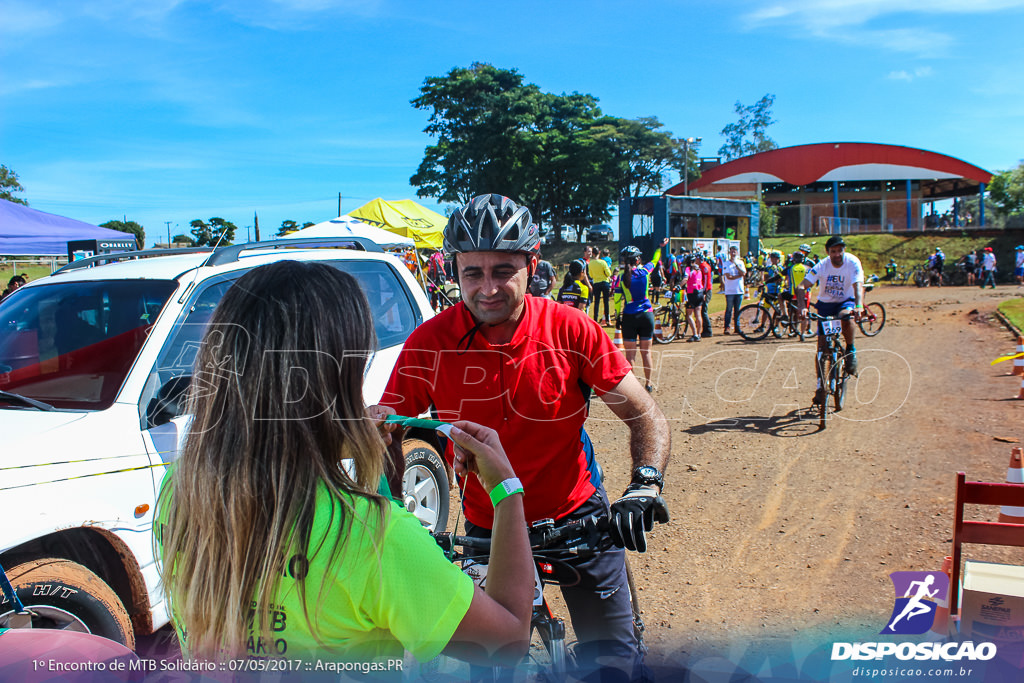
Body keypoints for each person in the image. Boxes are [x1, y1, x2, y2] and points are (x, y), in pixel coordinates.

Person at [156, 261, 534, 667]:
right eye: (355, 370)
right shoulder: (371, 536)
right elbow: (508, 640)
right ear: (329, 386)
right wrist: (506, 490)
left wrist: (378, 469)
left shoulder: (178, 489)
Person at [381, 195, 671, 680]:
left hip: (576, 518)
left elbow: (645, 415)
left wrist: (644, 483)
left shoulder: (571, 328)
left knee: (615, 666)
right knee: (489, 665)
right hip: (487, 525)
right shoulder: (430, 341)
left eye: (503, 270)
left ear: (531, 265)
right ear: (454, 269)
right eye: (472, 272)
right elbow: (389, 430)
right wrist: (385, 476)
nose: (487, 287)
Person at [796, 235, 865, 406]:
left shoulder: (852, 262)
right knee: (821, 348)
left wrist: (858, 305)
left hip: (845, 301)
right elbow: (801, 286)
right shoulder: (822, 265)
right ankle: (820, 387)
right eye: (833, 251)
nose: (837, 254)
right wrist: (801, 306)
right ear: (828, 252)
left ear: (844, 250)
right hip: (826, 305)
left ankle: (850, 350)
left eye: (840, 250)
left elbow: (858, 285)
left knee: (845, 317)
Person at [620, 238, 671, 391]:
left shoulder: (621, 277)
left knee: (630, 356)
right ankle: (648, 383)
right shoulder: (645, 271)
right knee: (646, 352)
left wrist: (616, 316)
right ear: (638, 259)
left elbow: (617, 299)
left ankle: (634, 387)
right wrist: (659, 246)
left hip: (629, 315)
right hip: (646, 315)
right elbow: (655, 260)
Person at [721, 245, 746, 334]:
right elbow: (728, 276)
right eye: (731, 251)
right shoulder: (726, 263)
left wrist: (736, 266)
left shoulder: (740, 263)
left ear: (737, 252)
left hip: (739, 290)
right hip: (730, 290)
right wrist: (739, 275)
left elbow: (743, 273)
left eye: (734, 251)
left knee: (737, 310)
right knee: (729, 309)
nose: (733, 253)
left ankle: (737, 327)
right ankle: (727, 327)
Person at [785, 250, 810, 335]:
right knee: (804, 312)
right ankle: (803, 333)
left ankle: (794, 330)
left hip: (794, 293)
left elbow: (780, 276)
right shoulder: (807, 268)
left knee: (794, 312)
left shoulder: (790, 268)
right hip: (805, 293)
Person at [588, 244, 613, 325]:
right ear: (599, 252)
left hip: (596, 283)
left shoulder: (590, 263)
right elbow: (608, 273)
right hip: (605, 282)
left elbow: (591, 275)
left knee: (597, 302)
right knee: (606, 302)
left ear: (593, 253)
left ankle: (595, 319)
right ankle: (607, 320)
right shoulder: (603, 262)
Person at [682, 254, 704, 342]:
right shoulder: (699, 269)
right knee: (698, 314)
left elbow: (685, 279)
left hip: (692, 293)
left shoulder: (688, 269)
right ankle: (699, 334)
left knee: (689, 315)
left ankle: (694, 334)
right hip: (700, 292)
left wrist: (678, 286)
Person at [698, 253, 713, 338]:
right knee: (702, 310)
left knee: (704, 310)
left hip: (706, 290)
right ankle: (705, 329)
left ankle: (708, 329)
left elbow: (707, 280)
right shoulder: (703, 266)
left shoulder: (704, 267)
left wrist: (704, 292)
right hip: (705, 290)